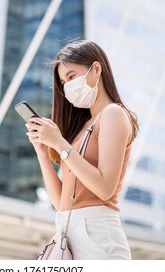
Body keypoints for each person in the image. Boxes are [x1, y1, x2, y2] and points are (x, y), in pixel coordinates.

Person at [26, 39, 139, 260]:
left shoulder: (113, 114)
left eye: (71, 76)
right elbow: (61, 202)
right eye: (63, 81)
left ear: (96, 69)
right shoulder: (81, 129)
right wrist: (42, 152)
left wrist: (60, 144)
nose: (67, 86)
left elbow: (105, 189)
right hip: (69, 232)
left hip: (98, 236)